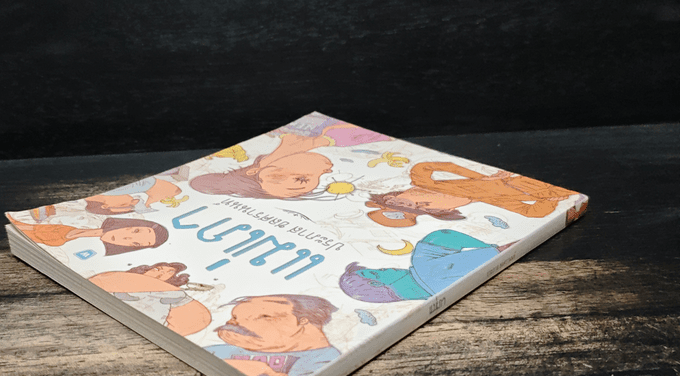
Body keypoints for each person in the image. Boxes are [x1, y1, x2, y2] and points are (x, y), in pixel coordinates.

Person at [190, 116, 390, 200]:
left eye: (301, 179)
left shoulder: (305, 131)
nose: (326, 171)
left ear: (255, 170)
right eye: (314, 179)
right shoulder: (339, 141)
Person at [366, 162, 577, 227]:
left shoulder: (424, 182)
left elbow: (427, 166)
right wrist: (549, 201)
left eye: (401, 204)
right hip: (546, 189)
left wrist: (481, 178)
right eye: (422, 210)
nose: (421, 205)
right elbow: (533, 212)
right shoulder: (493, 199)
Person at [205, 294, 341, 376]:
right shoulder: (216, 350)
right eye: (235, 317)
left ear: (303, 321)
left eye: (264, 316)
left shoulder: (323, 359)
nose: (233, 323)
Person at [340, 229, 513, 302]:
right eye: (378, 272)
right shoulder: (428, 270)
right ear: (376, 284)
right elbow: (502, 251)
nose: (385, 268)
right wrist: (490, 248)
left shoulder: (426, 291)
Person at [89, 266, 211, 336]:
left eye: (169, 273)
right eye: (158, 269)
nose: (161, 273)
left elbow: (195, 318)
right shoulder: (118, 279)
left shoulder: (173, 293)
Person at [10, 217, 168, 255]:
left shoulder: (90, 252)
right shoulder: (84, 220)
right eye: (135, 231)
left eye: (136, 243)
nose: (126, 238)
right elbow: (22, 225)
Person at [84, 177, 180, 215]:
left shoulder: (111, 190)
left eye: (125, 205)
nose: (134, 200)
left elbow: (174, 190)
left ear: (105, 206)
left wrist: (153, 193)